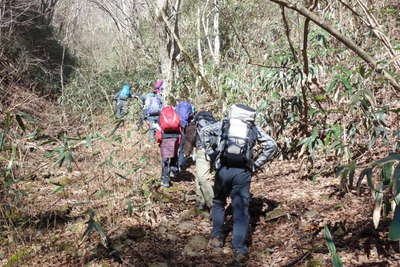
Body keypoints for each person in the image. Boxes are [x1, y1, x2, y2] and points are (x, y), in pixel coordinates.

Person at [200, 104, 278, 265]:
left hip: (223, 170)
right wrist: (256, 164)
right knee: (241, 211)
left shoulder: (224, 123)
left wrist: (212, 154)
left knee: (218, 202)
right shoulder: (253, 129)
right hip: (242, 173)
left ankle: (216, 237)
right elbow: (272, 145)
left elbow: (204, 131)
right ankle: (239, 250)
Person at [183, 110, 217, 211]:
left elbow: (189, 140)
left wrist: (186, 153)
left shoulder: (195, 126)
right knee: (203, 177)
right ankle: (200, 202)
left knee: (202, 178)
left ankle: (212, 204)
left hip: (202, 152)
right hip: (215, 153)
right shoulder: (215, 124)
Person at [157, 105, 182, 187]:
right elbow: (180, 128)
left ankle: (165, 181)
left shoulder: (162, 115)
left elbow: (159, 129)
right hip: (175, 138)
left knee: (165, 160)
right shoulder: (176, 114)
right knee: (174, 156)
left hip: (165, 138)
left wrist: (159, 140)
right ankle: (173, 170)